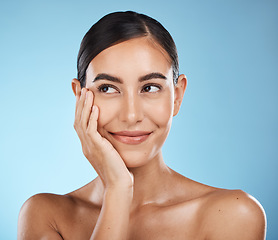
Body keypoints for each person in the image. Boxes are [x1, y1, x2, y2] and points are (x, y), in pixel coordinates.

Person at [18, 11, 266, 240]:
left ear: (177, 96)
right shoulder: (46, 216)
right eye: (108, 88)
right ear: (79, 96)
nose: (131, 115)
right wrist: (117, 190)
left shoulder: (232, 214)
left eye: (150, 88)